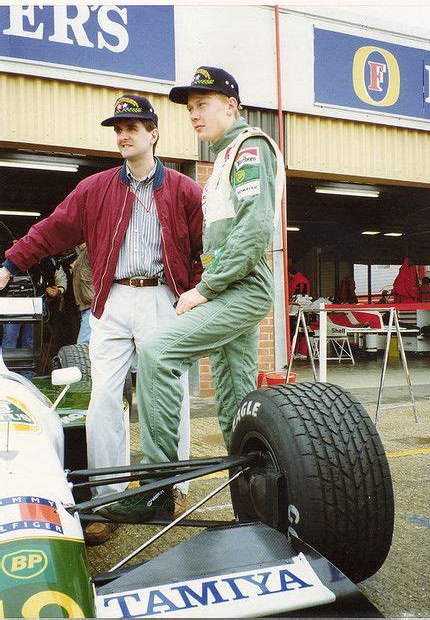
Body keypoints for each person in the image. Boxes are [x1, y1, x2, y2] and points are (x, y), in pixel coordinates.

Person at [0, 94, 203, 543]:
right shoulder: (95, 190)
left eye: (133, 127)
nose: (124, 135)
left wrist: (197, 291)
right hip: (111, 303)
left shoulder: (186, 191)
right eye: (118, 129)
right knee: (103, 401)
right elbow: (52, 228)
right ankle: (108, 502)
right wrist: (10, 265)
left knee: (167, 397)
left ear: (154, 133)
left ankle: (173, 486)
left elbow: (207, 246)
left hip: (164, 299)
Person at [98, 66, 285, 523]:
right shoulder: (222, 161)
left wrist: (205, 288)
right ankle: (257, 504)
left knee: (160, 353)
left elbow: (256, 229)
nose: (194, 115)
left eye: (203, 104)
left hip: (241, 287)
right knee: (234, 401)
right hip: (229, 289)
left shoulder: (248, 150)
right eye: (190, 108)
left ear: (232, 106)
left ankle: (159, 488)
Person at [71, 243, 94, 344]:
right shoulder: (82, 254)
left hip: (92, 305)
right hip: (87, 305)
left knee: (82, 344)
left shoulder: (91, 250)